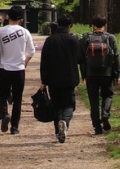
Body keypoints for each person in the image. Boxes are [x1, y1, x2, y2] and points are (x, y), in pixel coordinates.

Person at [39, 14, 82, 143]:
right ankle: (65, 122)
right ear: (70, 26)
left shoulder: (50, 40)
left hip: (53, 79)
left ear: (57, 25)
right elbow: (80, 59)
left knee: (56, 105)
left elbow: (44, 62)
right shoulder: (74, 40)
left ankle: (58, 132)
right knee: (69, 105)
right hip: (70, 78)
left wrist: (44, 81)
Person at [0, 4, 36, 135]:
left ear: (8, 16)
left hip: (3, 68)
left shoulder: (0, 31)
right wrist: (25, 63)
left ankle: (5, 112)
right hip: (19, 69)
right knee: (17, 99)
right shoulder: (24, 32)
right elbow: (31, 51)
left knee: (1, 95)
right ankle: (14, 127)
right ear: (21, 19)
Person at [81, 15, 120, 134]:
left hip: (91, 74)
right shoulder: (111, 38)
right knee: (108, 95)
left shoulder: (86, 38)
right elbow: (117, 56)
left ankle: (97, 127)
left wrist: (83, 75)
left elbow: (82, 58)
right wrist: (118, 74)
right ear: (105, 25)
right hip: (107, 73)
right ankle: (105, 115)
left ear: (93, 25)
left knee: (93, 100)